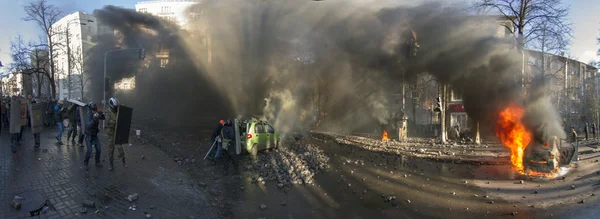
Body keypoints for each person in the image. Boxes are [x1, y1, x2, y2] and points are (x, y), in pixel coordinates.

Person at [106, 97, 127, 171]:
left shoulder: (118, 110)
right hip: (111, 133)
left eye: (116, 106)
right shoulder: (108, 111)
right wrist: (115, 122)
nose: (115, 107)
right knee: (111, 150)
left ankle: (124, 161)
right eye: (114, 106)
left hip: (117, 132)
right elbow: (108, 122)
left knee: (120, 148)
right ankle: (111, 164)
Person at [84, 101, 105, 170]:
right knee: (89, 151)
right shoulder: (88, 115)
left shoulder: (96, 113)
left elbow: (103, 118)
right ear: (90, 109)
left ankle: (97, 162)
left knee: (99, 149)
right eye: (93, 109)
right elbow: (88, 125)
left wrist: (101, 114)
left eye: (95, 109)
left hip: (95, 135)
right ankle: (86, 162)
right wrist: (94, 120)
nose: (94, 110)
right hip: (88, 135)